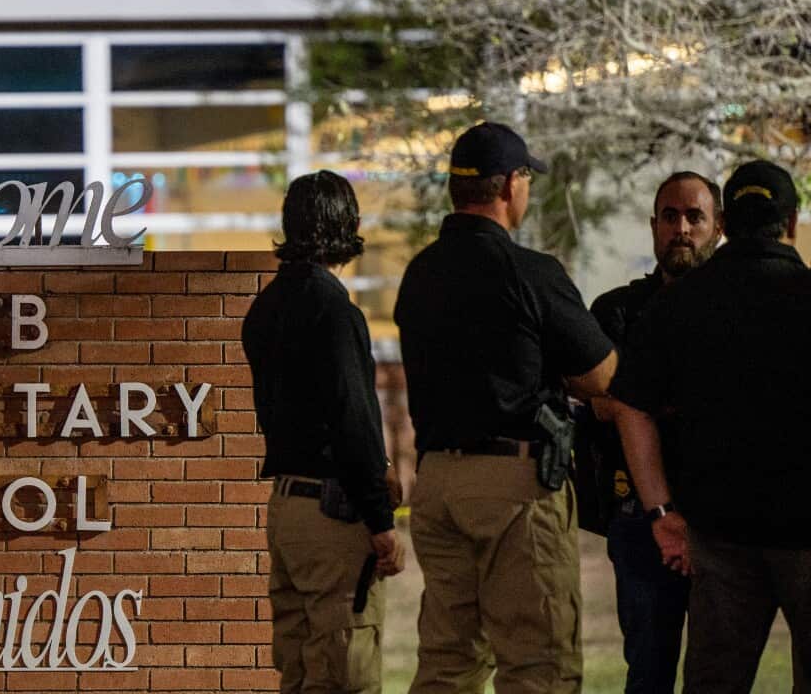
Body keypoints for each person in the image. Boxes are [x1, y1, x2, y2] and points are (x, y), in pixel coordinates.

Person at [394, 122, 617, 693]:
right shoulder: (531, 272)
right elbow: (599, 375)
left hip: (438, 482)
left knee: (449, 660)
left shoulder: (420, 274)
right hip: (514, 485)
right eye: (525, 178)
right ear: (509, 186)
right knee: (537, 664)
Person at [609, 160, 811, 693]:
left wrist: (661, 511)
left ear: (726, 224)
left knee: (715, 683)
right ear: (790, 221)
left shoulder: (678, 306)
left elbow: (631, 406)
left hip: (720, 537)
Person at [243, 169, 404, 694]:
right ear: (350, 225)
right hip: (333, 513)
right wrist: (381, 520)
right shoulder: (335, 310)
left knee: (300, 673)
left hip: (286, 506)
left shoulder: (265, 307)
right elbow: (352, 418)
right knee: (345, 674)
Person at [587, 172, 722, 693]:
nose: (681, 229)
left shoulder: (733, 309)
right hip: (641, 519)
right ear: (653, 226)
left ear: (719, 228)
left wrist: (638, 402)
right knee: (648, 669)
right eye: (670, 217)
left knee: (721, 673)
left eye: (695, 217)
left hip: (724, 520)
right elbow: (602, 402)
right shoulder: (618, 312)